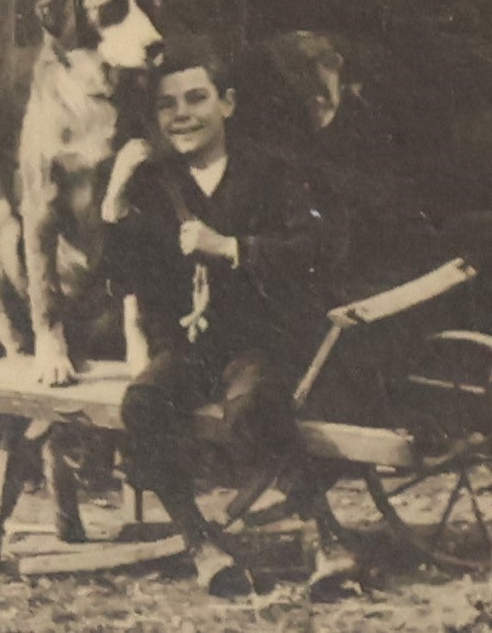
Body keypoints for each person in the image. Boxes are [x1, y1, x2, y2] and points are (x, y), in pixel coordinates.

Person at [101, 43, 343, 591]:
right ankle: (200, 541)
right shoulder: (154, 182)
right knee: (143, 405)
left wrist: (232, 247)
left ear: (227, 104)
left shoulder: (273, 171)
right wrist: (113, 202)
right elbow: (122, 277)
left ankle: (324, 536)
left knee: (255, 406)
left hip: (260, 339)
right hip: (189, 347)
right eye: (167, 105)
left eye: (196, 98)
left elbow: (316, 248)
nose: (181, 114)